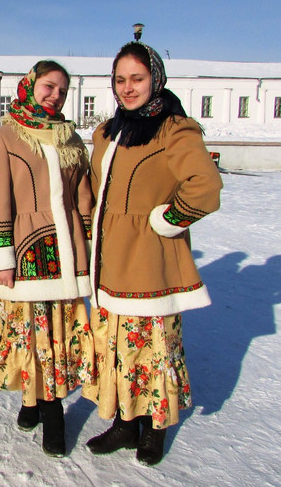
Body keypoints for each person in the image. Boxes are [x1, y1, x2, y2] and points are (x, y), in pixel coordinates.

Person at [82, 42, 223, 465]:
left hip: (149, 263)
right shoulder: (107, 131)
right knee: (118, 347)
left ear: (155, 79)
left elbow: (205, 187)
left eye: (137, 79)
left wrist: (167, 221)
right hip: (108, 263)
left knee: (153, 348)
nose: (128, 88)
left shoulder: (174, 128)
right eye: (120, 80)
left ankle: (154, 428)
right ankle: (126, 422)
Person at [0, 61, 94, 457]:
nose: (55, 96)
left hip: (68, 249)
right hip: (27, 247)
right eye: (49, 86)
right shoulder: (4, 137)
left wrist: (88, 242)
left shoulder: (70, 138)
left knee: (58, 331)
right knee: (32, 330)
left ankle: (42, 402)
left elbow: (83, 195)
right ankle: (45, 405)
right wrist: (1, 258)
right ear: (29, 85)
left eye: (62, 91)